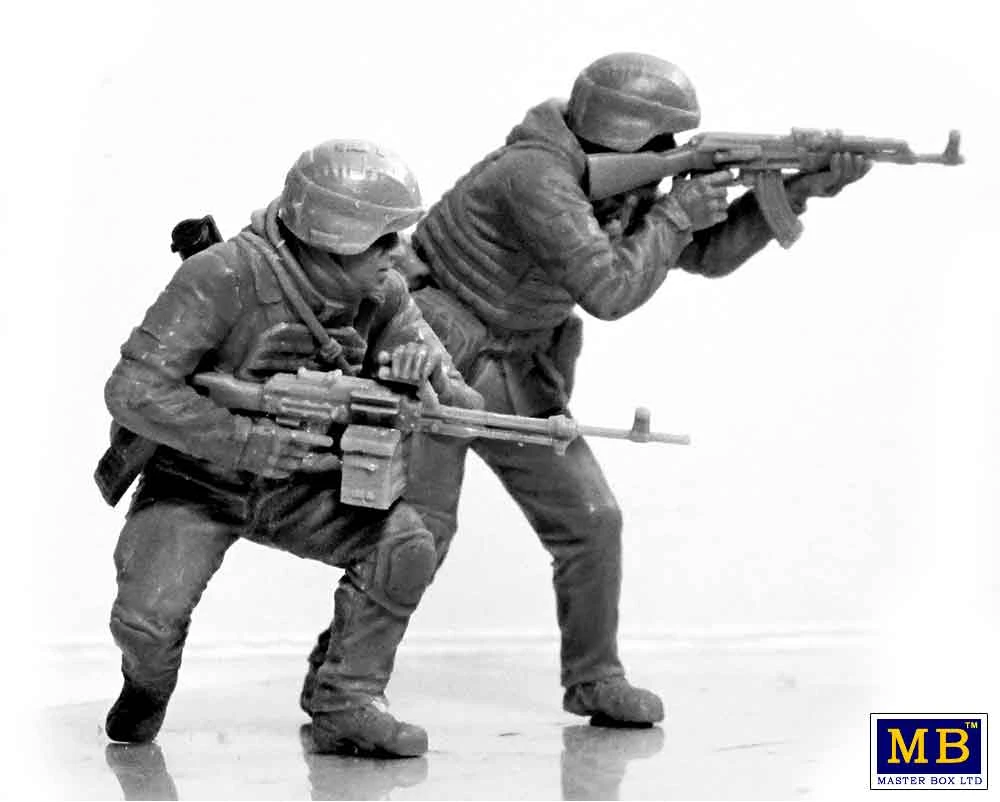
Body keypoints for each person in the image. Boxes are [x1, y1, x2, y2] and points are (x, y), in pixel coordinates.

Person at [305, 53, 871, 728]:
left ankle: (594, 677)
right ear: (624, 132)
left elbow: (706, 255)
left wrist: (794, 191)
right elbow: (610, 290)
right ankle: (343, 688)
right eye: (662, 139)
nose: (672, 150)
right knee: (419, 532)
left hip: (518, 362)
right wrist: (676, 215)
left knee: (592, 520)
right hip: (436, 350)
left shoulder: (613, 179)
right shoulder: (536, 175)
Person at [101, 139, 481, 757]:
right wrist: (245, 442)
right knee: (147, 619)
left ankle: (346, 701)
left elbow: (464, 412)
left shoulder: (384, 294)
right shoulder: (222, 276)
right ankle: (146, 687)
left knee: (405, 546)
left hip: (303, 483)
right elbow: (134, 390)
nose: (399, 252)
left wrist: (423, 378)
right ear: (336, 235)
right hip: (196, 480)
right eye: (384, 239)